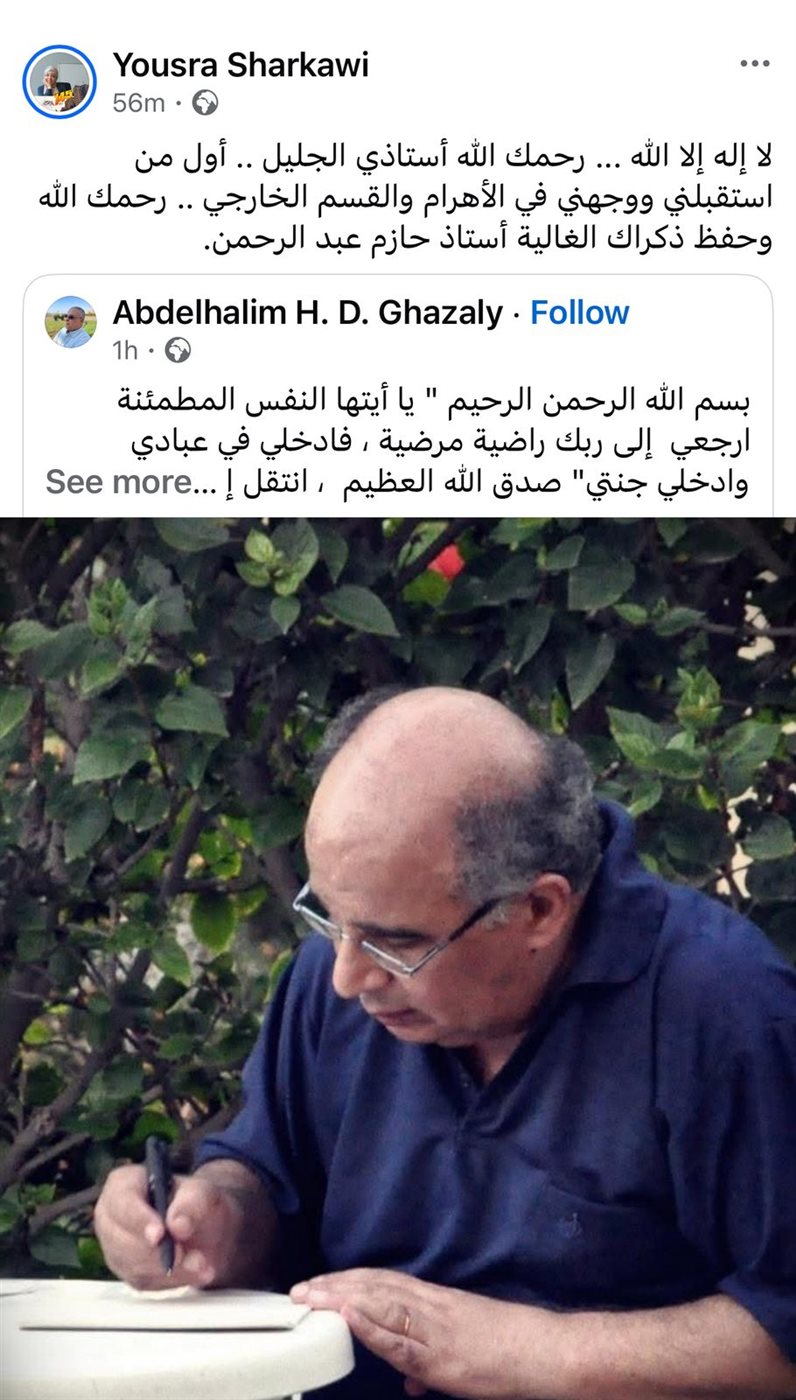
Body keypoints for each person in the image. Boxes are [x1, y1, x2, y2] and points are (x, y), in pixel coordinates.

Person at [94, 687, 796, 1400]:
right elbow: (268, 1179)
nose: (347, 978)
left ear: (538, 909)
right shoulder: (339, 976)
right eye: (329, 919)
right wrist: (215, 1221)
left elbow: (785, 1326)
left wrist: (532, 1351)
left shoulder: (722, 1009)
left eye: (396, 943)